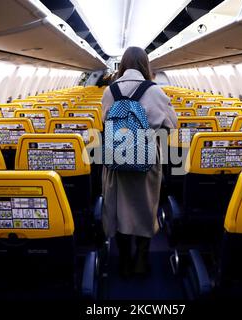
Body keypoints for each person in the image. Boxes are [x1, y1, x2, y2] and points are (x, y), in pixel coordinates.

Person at [101, 47, 177, 277]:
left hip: (116, 158)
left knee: (119, 208)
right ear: (145, 65)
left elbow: (105, 122)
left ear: (123, 65)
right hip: (147, 160)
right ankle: (141, 260)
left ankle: (124, 260)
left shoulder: (109, 91)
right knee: (145, 207)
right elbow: (172, 125)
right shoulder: (155, 91)